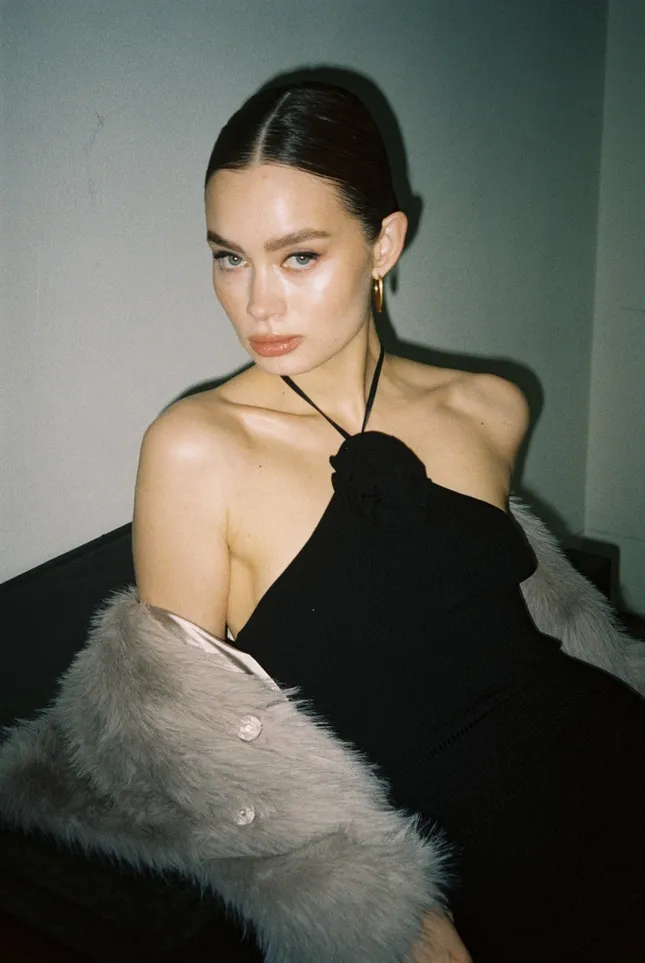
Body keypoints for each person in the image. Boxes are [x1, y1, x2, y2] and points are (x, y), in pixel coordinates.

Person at [132, 80, 645, 962]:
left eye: (297, 256)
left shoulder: (489, 405)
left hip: (602, 769)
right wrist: (373, 907)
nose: (257, 304)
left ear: (384, 243)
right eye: (229, 257)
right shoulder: (195, 449)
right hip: (428, 863)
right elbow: (189, 742)